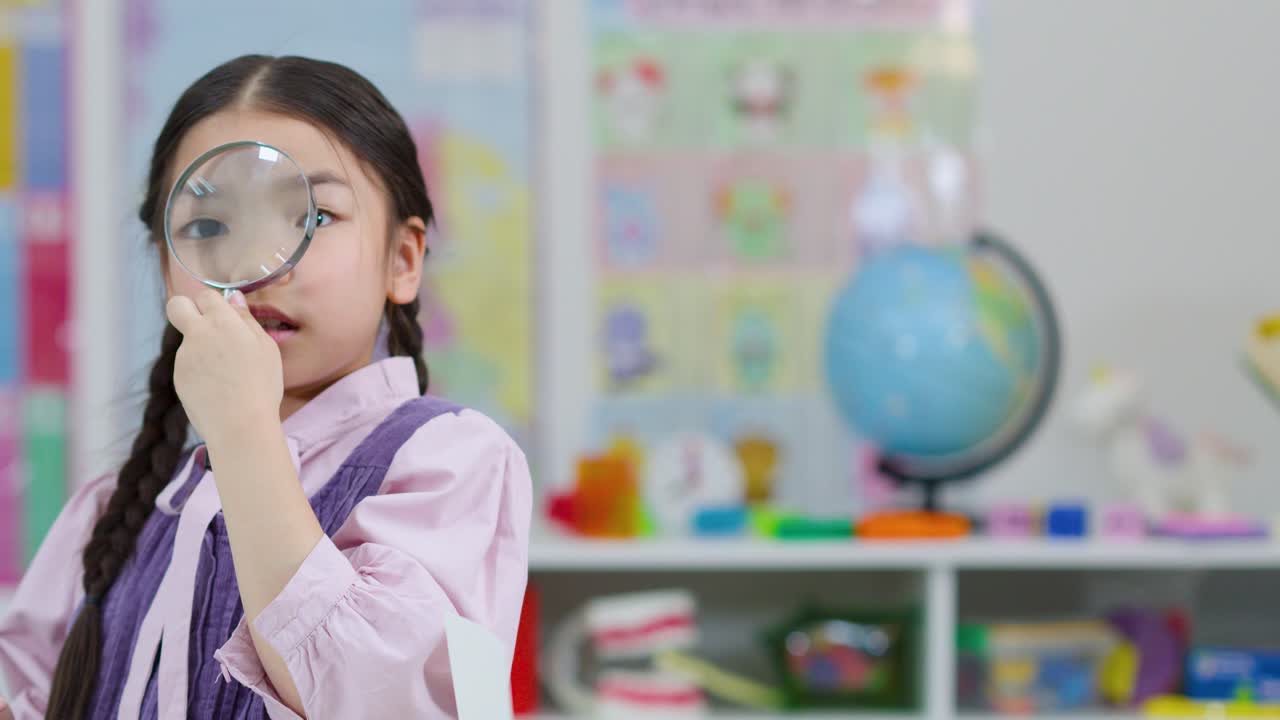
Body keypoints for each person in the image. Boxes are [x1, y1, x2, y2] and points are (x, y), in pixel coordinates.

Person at [0, 54, 531, 719]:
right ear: (167, 268)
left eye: (315, 218)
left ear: (402, 260)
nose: (258, 267)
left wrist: (246, 434)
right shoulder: (113, 512)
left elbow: (382, 698)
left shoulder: (451, 465)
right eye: (208, 227)